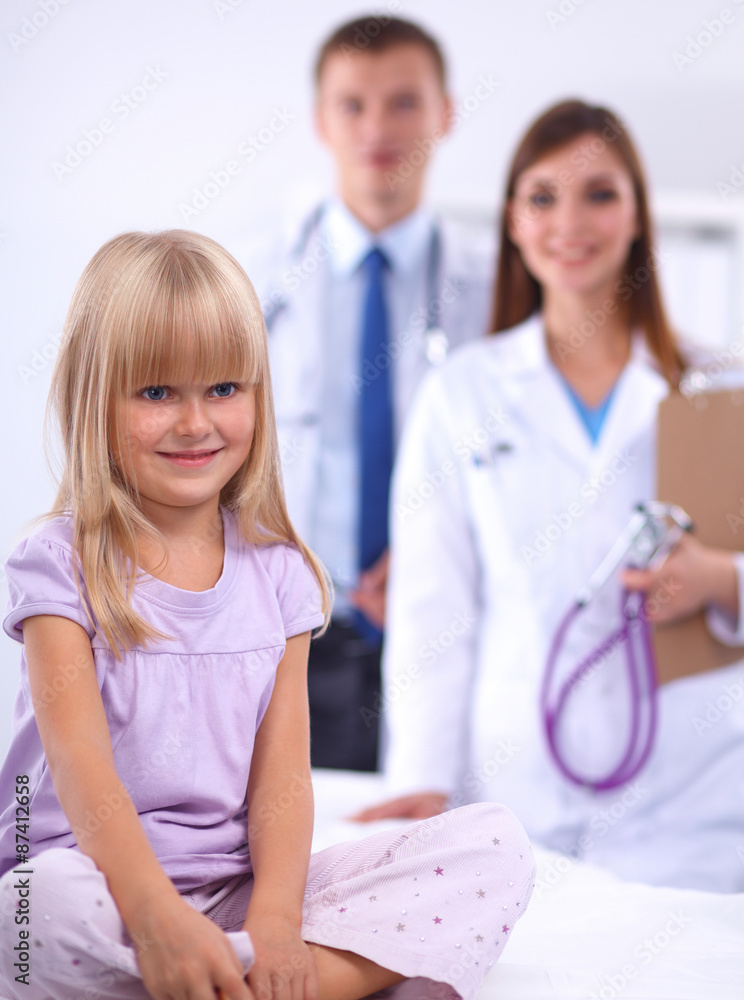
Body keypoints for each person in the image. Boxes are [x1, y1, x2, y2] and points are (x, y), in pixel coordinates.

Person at [0, 230, 534, 1000]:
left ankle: (237, 976)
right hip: (97, 878)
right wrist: (153, 916)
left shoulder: (280, 574)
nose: (195, 423)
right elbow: (81, 769)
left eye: (223, 389)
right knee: (31, 912)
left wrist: (279, 922)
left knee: (496, 847)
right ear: (96, 398)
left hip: (235, 892)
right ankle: (293, 983)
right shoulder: (59, 565)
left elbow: (283, 778)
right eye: (156, 393)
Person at [355, 100, 744, 892]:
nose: (571, 221)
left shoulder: (720, 390)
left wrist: (722, 579)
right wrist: (418, 778)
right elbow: (435, 609)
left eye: (600, 193)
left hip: (695, 801)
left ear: (638, 214)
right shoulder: (461, 395)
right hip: (512, 796)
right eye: (542, 197)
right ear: (512, 222)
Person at [246, 15, 493, 771]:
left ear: (446, 113)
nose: (378, 127)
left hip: (453, 633)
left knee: (437, 861)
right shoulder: (252, 285)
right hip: (292, 634)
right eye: (353, 104)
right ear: (322, 120)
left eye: (404, 102)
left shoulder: (498, 290)